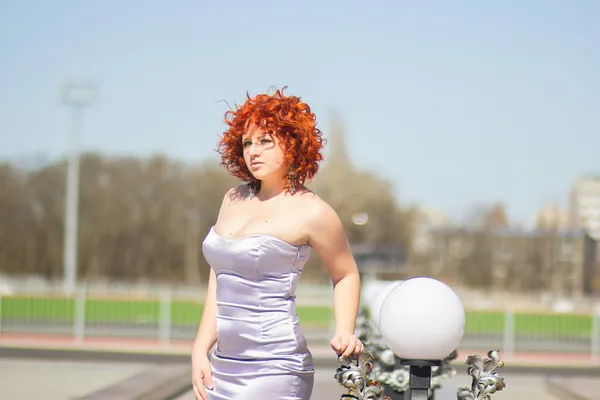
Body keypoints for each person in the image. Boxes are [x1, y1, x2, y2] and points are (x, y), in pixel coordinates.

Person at [191, 87, 363, 400]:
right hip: (222, 367)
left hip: (275, 369)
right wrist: (201, 348)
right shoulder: (232, 199)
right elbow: (220, 276)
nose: (253, 151)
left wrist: (345, 330)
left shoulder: (313, 210)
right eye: (247, 143)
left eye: (265, 141)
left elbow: (346, 274)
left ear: (294, 143)